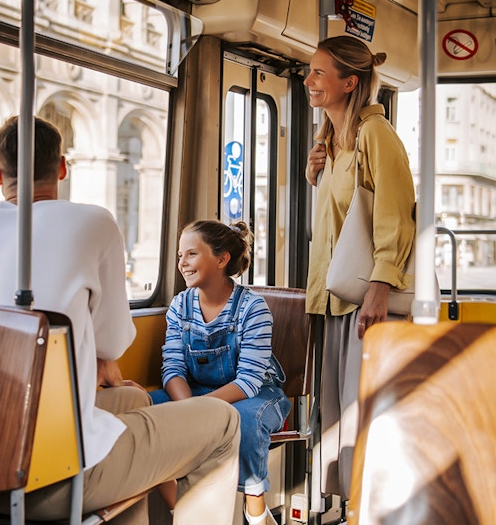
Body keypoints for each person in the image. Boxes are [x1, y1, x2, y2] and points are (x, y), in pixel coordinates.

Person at [0, 116, 241, 525]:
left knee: (136, 399)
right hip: (47, 476)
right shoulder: (95, 222)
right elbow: (113, 344)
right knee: (225, 422)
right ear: (63, 168)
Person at [304, 36, 415, 502]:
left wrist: (379, 287)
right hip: (331, 299)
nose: (307, 80)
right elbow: (338, 220)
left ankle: (371, 507)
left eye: (317, 73)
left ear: (349, 83)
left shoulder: (375, 135)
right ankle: (350, 506)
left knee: (361, 416)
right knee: (336, 420)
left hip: (363, 300)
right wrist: (315, 175)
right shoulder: (332, 141)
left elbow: (393, 214)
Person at [151, 220, 290, 525]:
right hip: (197, 391)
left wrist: (200, 410)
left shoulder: (253, 308)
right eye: (179, 256)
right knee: (147, 412)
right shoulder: (179, 306)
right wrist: (189, 406)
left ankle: (256, 512)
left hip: (255, 395)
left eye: (191, 254)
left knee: (245, 421)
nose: (182, 264)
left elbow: (249, 379)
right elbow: (172, 366)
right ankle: (182, 506)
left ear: (221, 258)